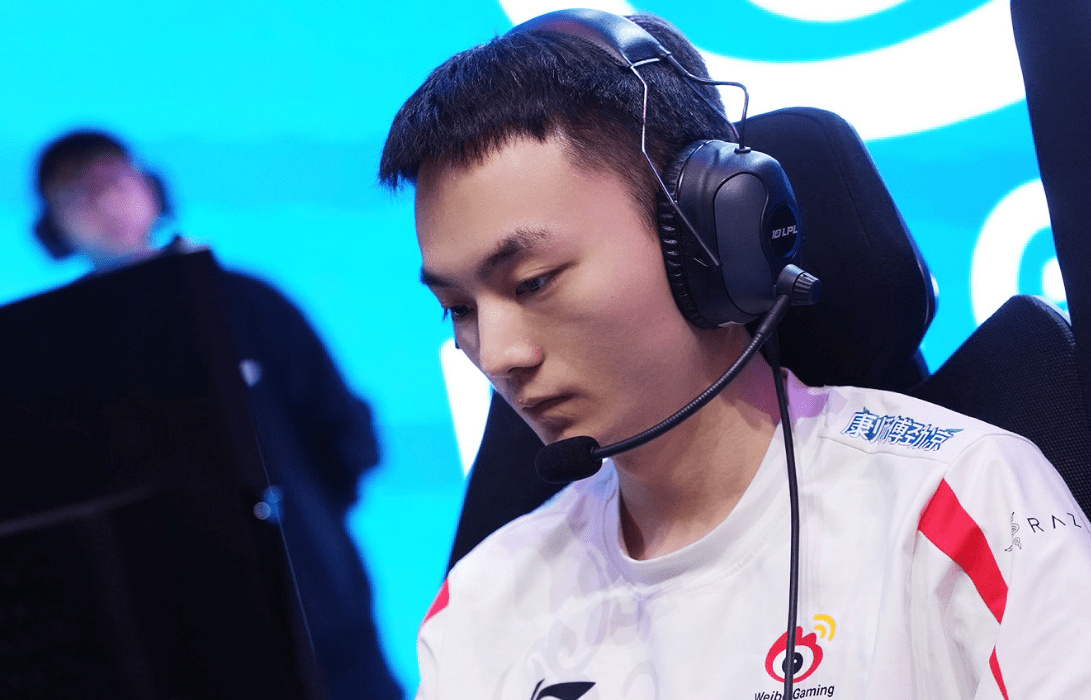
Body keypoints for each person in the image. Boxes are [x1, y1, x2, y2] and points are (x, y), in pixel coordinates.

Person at [378, 9, 1091, 699]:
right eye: (458, 309)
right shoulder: (481, 609)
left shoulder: (956, 505)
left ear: (706, 238)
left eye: (533, 282)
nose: (496, 354)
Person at [33, 130, 404, 700]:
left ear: (151, 188)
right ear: (53, 224)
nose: (104, 201)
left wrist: (302, 524)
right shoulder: (61, 350)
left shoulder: (248, 301)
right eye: (78, 191)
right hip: (177, 637)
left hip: (323, 614)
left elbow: (345, 435)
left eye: (113, 180)